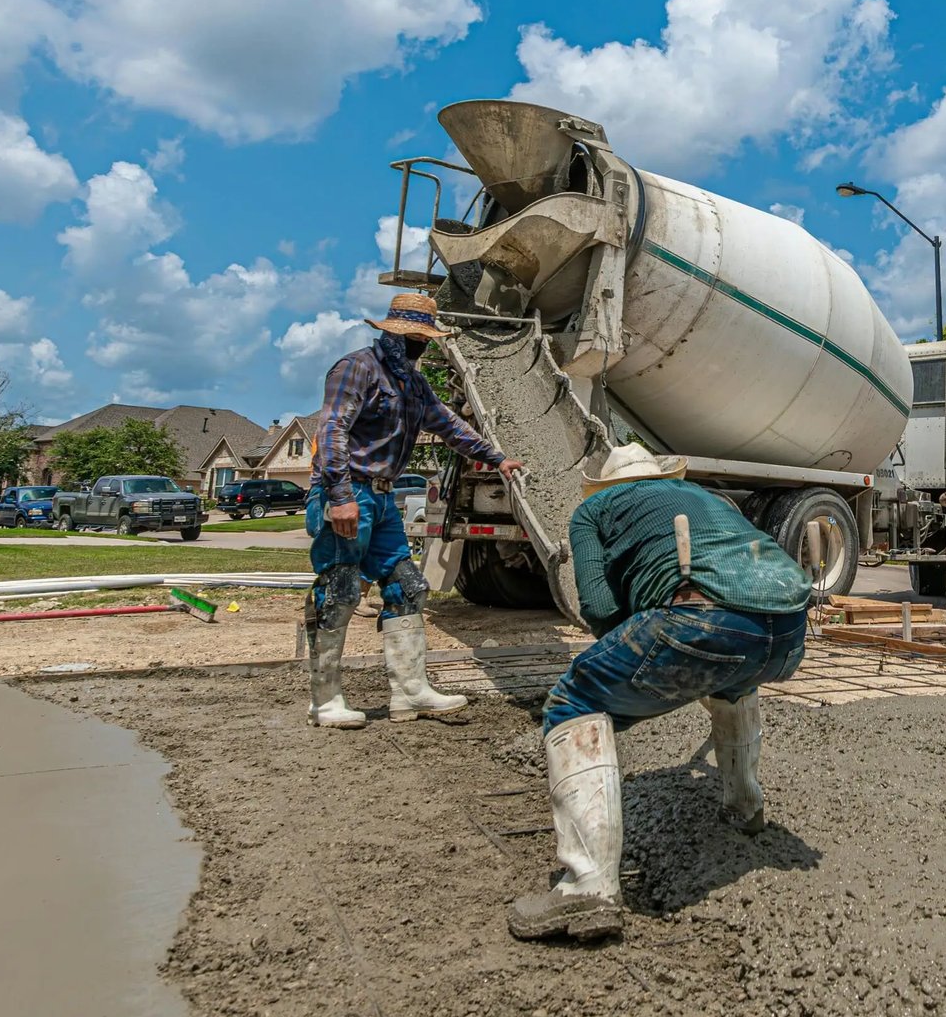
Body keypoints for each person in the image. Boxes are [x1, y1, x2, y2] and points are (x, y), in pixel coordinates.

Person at [508, 444, 814, 941]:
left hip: (701, 622)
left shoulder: (593, 509)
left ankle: (587, 888)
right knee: (732, 685)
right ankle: (745, 808)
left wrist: (639, 649)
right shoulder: (705, 496)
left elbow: (599, 605)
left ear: (607, 484)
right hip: (787, 634)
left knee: (573, 699)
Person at [304, 291, 525, 730]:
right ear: (393, 334)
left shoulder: (414, 385)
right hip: (350, 492)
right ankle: (324, 701)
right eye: (414, 337)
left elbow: (448, 424)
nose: (420, 345)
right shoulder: (358, 369)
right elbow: (331, 430)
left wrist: (497, 457)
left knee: (408, 586)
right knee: (341, 588)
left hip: (384, 499)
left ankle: (409, 691)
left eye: (424, 338)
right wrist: (341, 495)